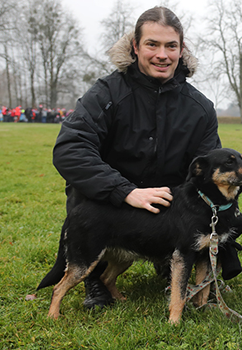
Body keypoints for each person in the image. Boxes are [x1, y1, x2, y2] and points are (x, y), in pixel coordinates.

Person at [51, 6, 227, 310]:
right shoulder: (106, 92)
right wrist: (126, 191)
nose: (162, 55)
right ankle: (95, 279)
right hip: (111, 203)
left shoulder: (200, 107)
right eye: (152, 44)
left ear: (181, 50)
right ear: (135, 47)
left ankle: (169, 256)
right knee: (83, 186)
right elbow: (70, 149)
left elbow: (206, 173)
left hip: (166, 207)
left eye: (171, 46)